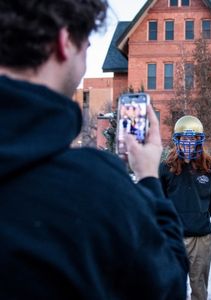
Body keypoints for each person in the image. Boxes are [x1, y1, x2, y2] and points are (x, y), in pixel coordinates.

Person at [0, 1, 188, 299]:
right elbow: (170, 284)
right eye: (86, 46)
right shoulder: (95, 188)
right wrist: (150, 178)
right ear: (63, 44)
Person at [159, 115, 211, 300]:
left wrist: (197, 217)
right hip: (172, 236)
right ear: (177, 140)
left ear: (198, 141)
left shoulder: (210, 169)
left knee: (199, 286)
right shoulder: (165, 168)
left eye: (192, 139)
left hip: (200, 237)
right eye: (183, 139)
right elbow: (158, 201)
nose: (187, 143)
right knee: (170, 286)